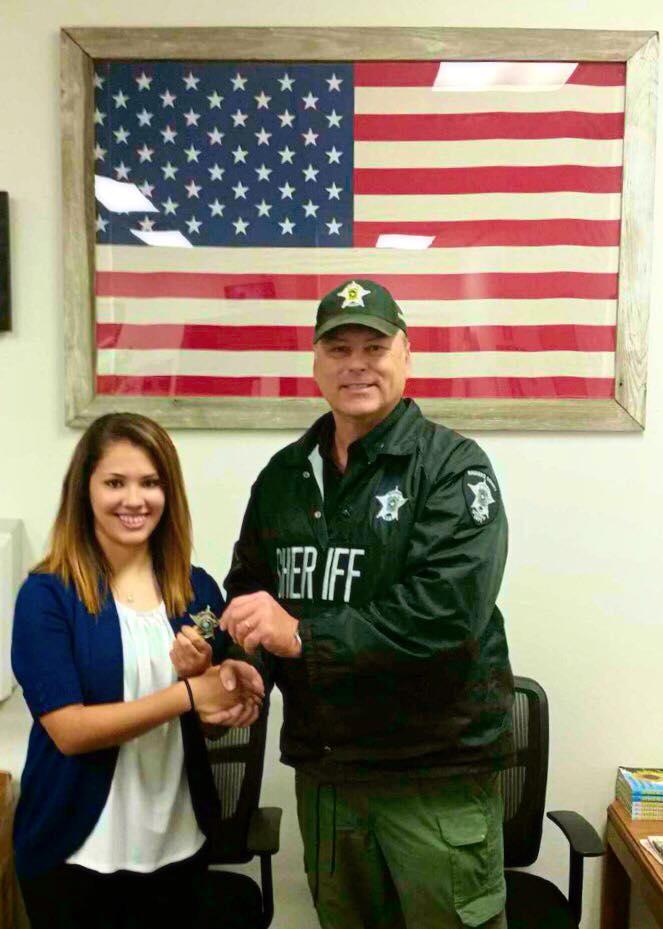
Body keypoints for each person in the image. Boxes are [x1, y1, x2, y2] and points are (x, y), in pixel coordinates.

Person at [220, 279, 515, 929]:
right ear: (316, 362)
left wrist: (302, 637)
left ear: (405, 356)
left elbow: (445, 613)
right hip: (328, 775)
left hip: (432, 777)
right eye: (338, 346)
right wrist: (244, 663)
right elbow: (250, 588)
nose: (356, 362)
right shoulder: (285, 476)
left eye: (374, 346)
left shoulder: (452, 468)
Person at [11, 413, 264, 929]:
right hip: (75, 857)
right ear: (84, 492)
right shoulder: (47, 596)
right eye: (114, 482)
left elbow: (209, 720)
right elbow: (70, 732)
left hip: (178, 845)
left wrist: (229, 693)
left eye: (150, 482)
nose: (134, 499)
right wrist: (189, 695)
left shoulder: (199, 593)